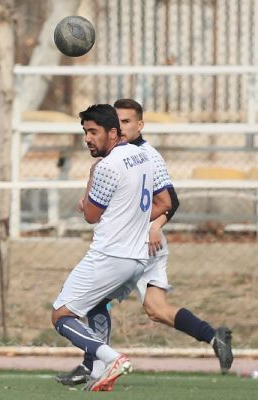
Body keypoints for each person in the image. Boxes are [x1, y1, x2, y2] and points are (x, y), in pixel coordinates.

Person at [56, 99, 234, 387]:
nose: (121, 127)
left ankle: (102, 360)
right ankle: (212, 335)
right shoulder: (129, 156)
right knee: (149, 307)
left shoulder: (145, 156)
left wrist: (152, 224)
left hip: (141, 244)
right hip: (134, 246)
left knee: (74, 309)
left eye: (126, 122)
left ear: (138, 125)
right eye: (118, 120)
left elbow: (169, 202)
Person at [51, 104, 171, 392]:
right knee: (94, 303)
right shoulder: (143, 156)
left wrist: (90, 182)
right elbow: (164, 203)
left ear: (113, 132)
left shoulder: (105, 166)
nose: (88, 139)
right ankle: (99, 371)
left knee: (61, 315)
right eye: (85, 132)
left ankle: (111, 358)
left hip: (110, 255)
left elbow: (91, 215)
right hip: (138, 257)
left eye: (94, 132)